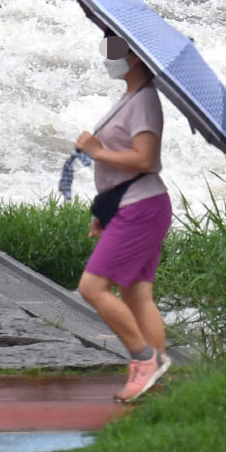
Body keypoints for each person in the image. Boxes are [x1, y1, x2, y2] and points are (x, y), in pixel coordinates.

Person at [75, 33, 172, 403]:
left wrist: (96, 150)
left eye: (115, 49)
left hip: (142, 207)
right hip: (133, 204)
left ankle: (143, 360)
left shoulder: (144, 101)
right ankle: (156, 381)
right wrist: (107, 209)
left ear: (134, 57)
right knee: (137, 294)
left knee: (92, 288)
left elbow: (145, 160)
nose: (108, 56)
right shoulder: (131, 98)